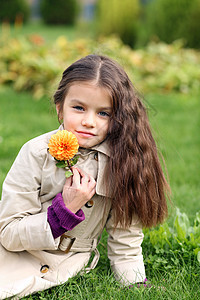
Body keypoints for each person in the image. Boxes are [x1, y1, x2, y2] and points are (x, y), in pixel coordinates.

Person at [0, 55, 170, 299]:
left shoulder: (125, 161)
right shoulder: (36, 153)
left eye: (103, 113)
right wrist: (64, 211)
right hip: (13, 253)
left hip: (67, 264)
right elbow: (8, 233)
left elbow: (126, 239)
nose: (89, 122)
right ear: (60, 108)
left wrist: (134, 284)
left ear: (119, 118)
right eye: (78, 108)